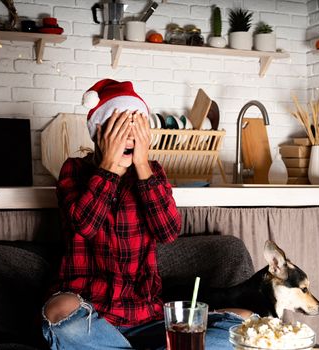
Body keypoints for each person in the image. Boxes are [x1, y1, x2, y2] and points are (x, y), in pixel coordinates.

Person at [41, 79, 251, 350]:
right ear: (97, 133)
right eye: (118, 127)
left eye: (137, 127)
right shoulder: (74, 170)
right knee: (59, 309)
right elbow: (84, 225)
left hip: (146, 319)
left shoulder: (151, 172)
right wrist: (109, 168)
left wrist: (141, 164)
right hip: (92, 317)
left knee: (244, 322)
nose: (129, 136)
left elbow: (168, 231)